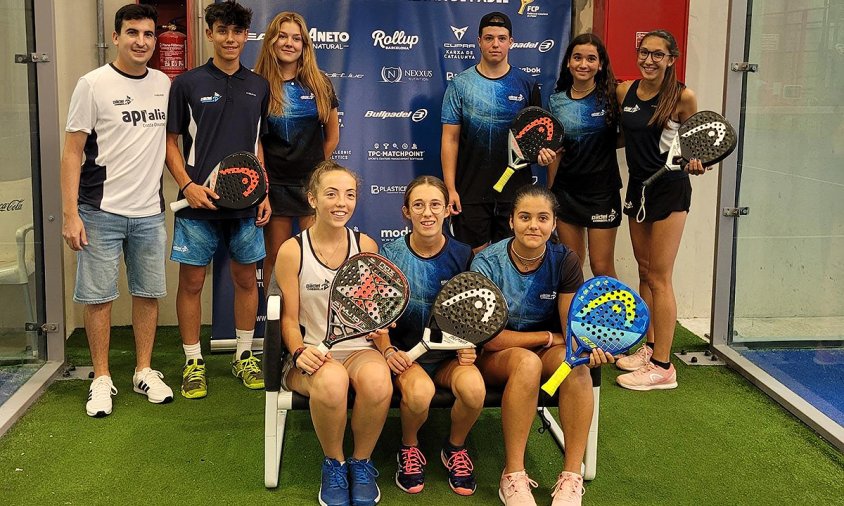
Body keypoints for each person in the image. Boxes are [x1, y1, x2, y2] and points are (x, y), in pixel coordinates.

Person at [61, 4, 173, 417]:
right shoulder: (92, 84)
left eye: (148, 34)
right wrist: (71, 214)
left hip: (149, 214)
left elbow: (173, 144)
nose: (141, 41)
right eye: (132, 33)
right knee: (99, 298)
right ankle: (102, 378)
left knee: (147, 294)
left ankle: (143, 370)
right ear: (116, 36)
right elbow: (72, 153)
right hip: (98, 212)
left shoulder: (164, 83)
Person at [470, 185, 613, 506]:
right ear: (511, 222)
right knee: (527, 363)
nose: (533, 225)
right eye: (525, 217)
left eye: (542, 218)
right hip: (498, 356)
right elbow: (490, 339)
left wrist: (588, 349)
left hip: (548, 356)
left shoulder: (565, 261)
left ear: (553, 223)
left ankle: (571, 477)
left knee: (574, 365)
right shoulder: (487, 264)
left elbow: (569, 329)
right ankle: (514, 476)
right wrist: (547, 338)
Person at [165, 0, 271, 399]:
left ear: (246, 36)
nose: (230, 39)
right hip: (198, 205)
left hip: (246, 206)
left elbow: (258, 142)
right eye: (222, 31)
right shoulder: (187, 84)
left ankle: (244, 355)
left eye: (237, 32)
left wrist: (263, 190)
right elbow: (170, 143)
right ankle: (193, 362)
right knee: (191, 282)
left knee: (247, 279)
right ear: (209, 33)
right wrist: (187, 185)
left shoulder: (258, 86)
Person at [275, 161, 390, 506]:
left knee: (378, 382)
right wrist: (298, 351)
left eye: (350, 195)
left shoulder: (366, 245)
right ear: (312, 199)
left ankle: (361, 462)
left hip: (359, 349)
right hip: (310, 354)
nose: (342, 202)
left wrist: (383, 339)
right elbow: (288, 317)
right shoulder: (292, 250)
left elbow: (373, 312)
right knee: (331, 380)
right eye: (332, 194)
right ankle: (334, 464)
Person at [378, 176, 484, 496]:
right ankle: (409, 448)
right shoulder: (390, 254)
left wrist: (469, 346)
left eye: (435, 204)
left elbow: (472, 312)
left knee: (475, 390)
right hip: (406, 358)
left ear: (447, 210)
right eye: (419, 205)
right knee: (420, 393)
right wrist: (386, 350)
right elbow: (378, 316)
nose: (428, 213)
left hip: (447, 359)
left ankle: (454, 448)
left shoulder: (465, 256)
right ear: (406, 212)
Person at [613, 30, 705, 390]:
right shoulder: (625, 92)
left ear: (671, 59)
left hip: (669, 190)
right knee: (645, 270)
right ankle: (648, 347)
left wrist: (696, 161)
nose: (649, 60)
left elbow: (693, 146)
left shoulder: (683, 97)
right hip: (638, 188)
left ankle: (664, 367)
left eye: (658, 54)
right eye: (643, 52)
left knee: (661, 277)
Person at [441, 11, 541, 252]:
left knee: (511, 261)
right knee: (476, 265)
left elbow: (536, 139)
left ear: (511, 42)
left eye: (502, 38)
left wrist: (543, 155)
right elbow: (450, 139)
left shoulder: (526, 84)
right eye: (489, 38)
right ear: (479, 41)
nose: (495, 44)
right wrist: (451, 189)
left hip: (515, 193)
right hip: (471, 192)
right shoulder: (460, 84)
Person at [254, 11, 340, 279]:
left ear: (304, 45)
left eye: (296, 38)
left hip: (310, 186)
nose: (289, 43)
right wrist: (265, 186)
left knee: (314, 257)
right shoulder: (258, 85)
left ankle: (309, 321)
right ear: (271, 41)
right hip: (275, 186)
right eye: (282, 36)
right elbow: (255, 140)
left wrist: (315, 171)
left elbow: (333, 136)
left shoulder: (320, 82)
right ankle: (275, 320)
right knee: (277, 258)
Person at [540, 34, 622, 278]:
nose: (583, 64)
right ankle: (573, 318)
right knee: (572, 267)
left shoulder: (613, 96)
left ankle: (612, 317)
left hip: (602, 193)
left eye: (591, 58)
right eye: (577, 57)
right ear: (568, 62)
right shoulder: (555, 102)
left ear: (601, 64)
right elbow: (556, 153)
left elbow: (630, 134)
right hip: (566, 194)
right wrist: (551, 192)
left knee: (602, 267)